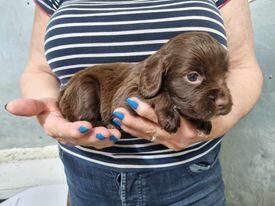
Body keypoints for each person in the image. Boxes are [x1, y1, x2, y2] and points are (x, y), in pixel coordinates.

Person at [6, 0, 263, 205]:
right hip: (86, 177)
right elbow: (39, 68)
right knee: (86, 91)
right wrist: (48, 108)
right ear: (155, 74)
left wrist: (217, 124)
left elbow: (243, 66)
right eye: (193, 76)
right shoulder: (144, 80)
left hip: (190, 178)